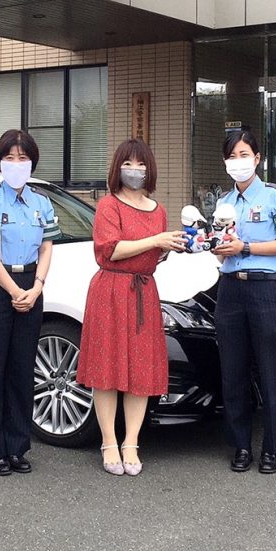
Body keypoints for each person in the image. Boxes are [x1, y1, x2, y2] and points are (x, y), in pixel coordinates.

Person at [76, 139, 186, 476]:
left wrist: (170, 247)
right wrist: (156, 240)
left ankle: (132, 442)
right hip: (110, 290)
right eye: (128, 164)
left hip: (143, 291)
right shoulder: (108, 205)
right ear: (117, 168)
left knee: (140, 368)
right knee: (107, 368)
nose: (135, 170)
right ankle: (109, 441)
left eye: (141, 164)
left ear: (150, 169)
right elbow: (109, 250)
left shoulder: (159, 209)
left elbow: (152, 255)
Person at [212, 127, 276, 474]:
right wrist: (217, 248)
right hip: (230, 289)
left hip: (266, 289)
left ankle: (272, 447)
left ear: (257, 158)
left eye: (244, 155)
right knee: (232, 370)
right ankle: (240, 445)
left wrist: (245, 247)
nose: (238, 162)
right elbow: (220, 250)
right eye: (232, 156)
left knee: (271, 369)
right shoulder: (223, 202)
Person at [0, 129, 60, 475]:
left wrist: (36, 287)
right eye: (9, 158)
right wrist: (13, 291)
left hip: (31, 285)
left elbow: (47, 248)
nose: (17, 164)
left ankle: (17, 446)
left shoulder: (41, 202)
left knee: (22, 370)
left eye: (23, 158)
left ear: (32, 162)